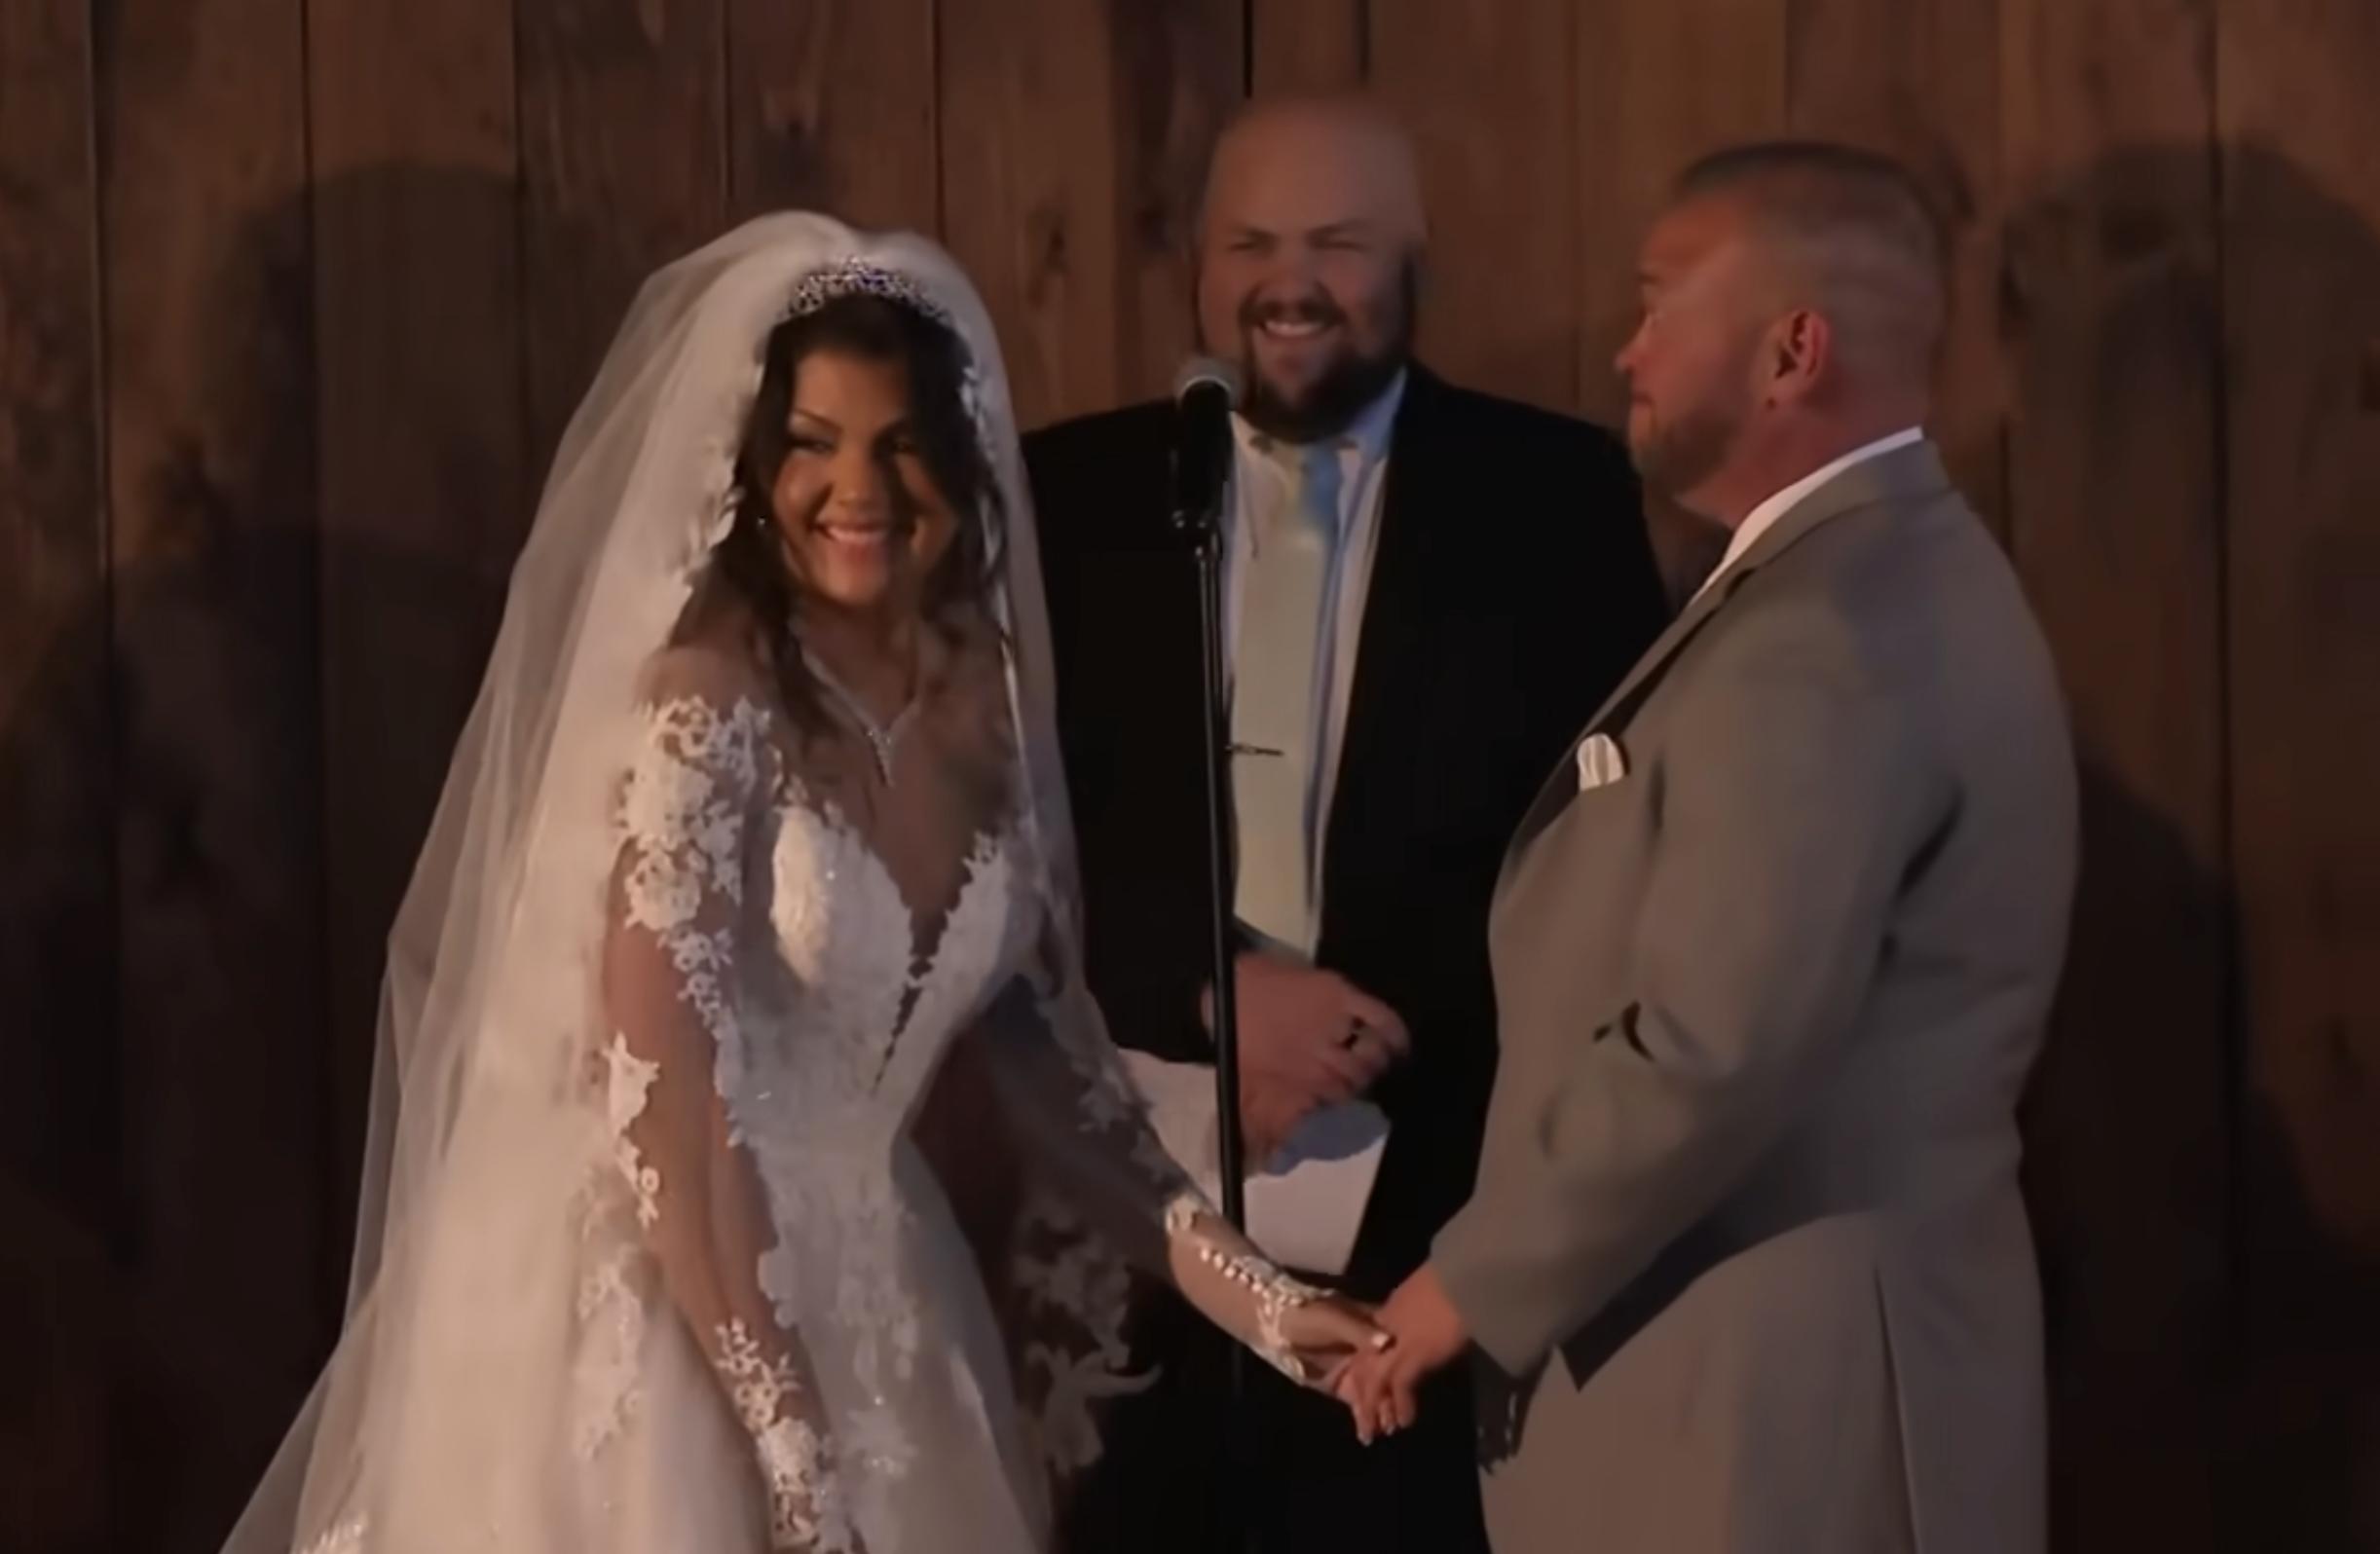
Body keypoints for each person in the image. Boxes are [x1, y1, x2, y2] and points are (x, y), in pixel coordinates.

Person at [215, 215, 1383, 1554]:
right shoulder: (707, 706)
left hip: (878, 1293)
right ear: (754, 467)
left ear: (961, 459)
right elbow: (672, 1113)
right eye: (813, 443)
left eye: (898, 442)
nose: (856, 487)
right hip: (674, 1309)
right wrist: (791, 1454)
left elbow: (1058, 1078)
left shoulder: (982, 718)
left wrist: (1265, 1303)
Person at [1337, 142, 2079, 1553]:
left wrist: (1463, 1287)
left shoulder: (1825, 631)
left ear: (1792, 351)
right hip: (1795, 1382)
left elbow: (1715, 1040)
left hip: (1773, 1411)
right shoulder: (1887, 573)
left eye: (1661, 302)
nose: (1629, 350)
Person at [1026, 96, 1667, 1553]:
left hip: (1426, 1255)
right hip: (1122, 1233)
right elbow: (1002, 828)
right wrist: (1208, 993)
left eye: (1338, 244)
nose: (1290, 283)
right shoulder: (1064, 495)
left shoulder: (1556, 498)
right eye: (1250, 243)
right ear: (1196, 264)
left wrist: (1365, 1026)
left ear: (1416, 261)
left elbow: (1606, 843)